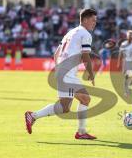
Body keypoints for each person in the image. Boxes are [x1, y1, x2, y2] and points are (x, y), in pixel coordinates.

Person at [25, 9, 97, 139]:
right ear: (85, 20)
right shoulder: (85, 34)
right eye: (93, 20)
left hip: (62, 70)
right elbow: (86, 56)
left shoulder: (70, 32)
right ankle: (81, 132)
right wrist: (91, 73)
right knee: (85, 99)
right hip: (67, 72)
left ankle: (33, 116)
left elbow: (56, 54)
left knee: (65, 107)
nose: (95, 23)